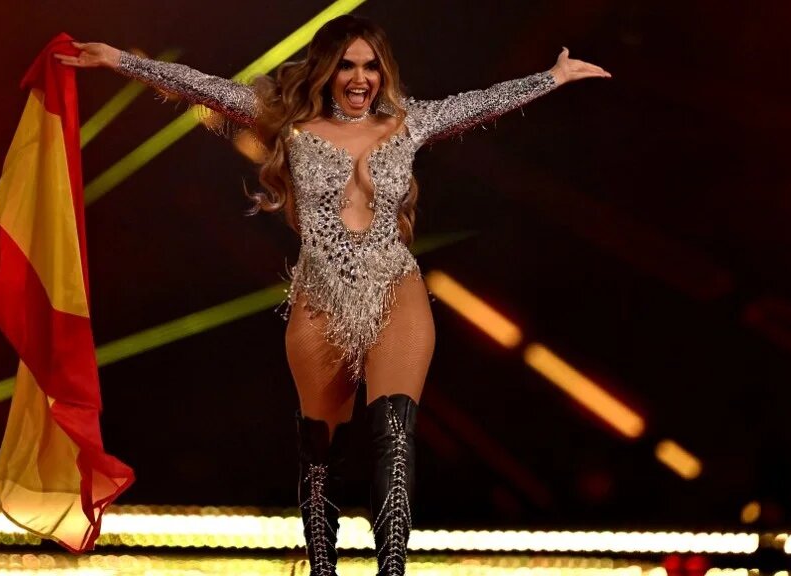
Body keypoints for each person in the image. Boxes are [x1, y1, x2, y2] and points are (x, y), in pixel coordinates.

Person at [56, 14, 609, 576]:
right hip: (321, 295)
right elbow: (204, 85)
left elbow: (481, 102)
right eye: (348, 64)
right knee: (320, 452)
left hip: (396, 287)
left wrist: (551, 77)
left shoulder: (409, 122)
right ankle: (324, 571)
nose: (360, 76)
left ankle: (391, 570)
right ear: (327, 69)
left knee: (396, 434)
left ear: (383, 73)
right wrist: (120, 60)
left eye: (371, 65)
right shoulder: (289, 123)